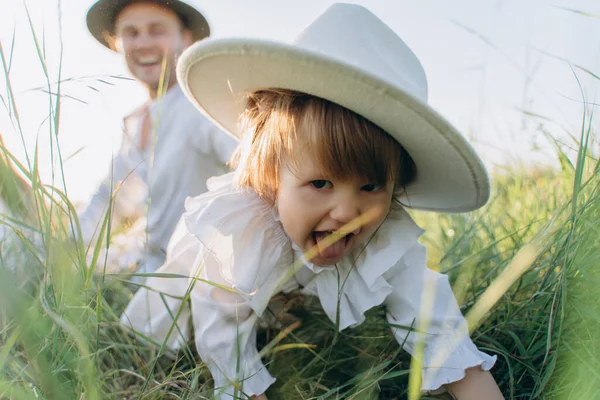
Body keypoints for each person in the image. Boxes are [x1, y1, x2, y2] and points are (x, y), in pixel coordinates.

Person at [120, 3, 504, 399]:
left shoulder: (386, 237)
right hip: (198, 285)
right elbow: (225, 340)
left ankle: (283, 310)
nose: (346, 212)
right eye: (321, 182)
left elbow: (447, 341)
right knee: (175, 334)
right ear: (270, 178)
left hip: (286, 286)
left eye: (371, 187)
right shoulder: (237, 233)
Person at [80, 0, 238, 276]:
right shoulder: (134, 123)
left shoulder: (206, 106)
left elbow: (259, 172)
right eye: (131, 33)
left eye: (157, 30)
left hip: (204, 278)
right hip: (147, 269)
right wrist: (57, 249)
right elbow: (109, 200)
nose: (142, 43)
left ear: (185, 38)